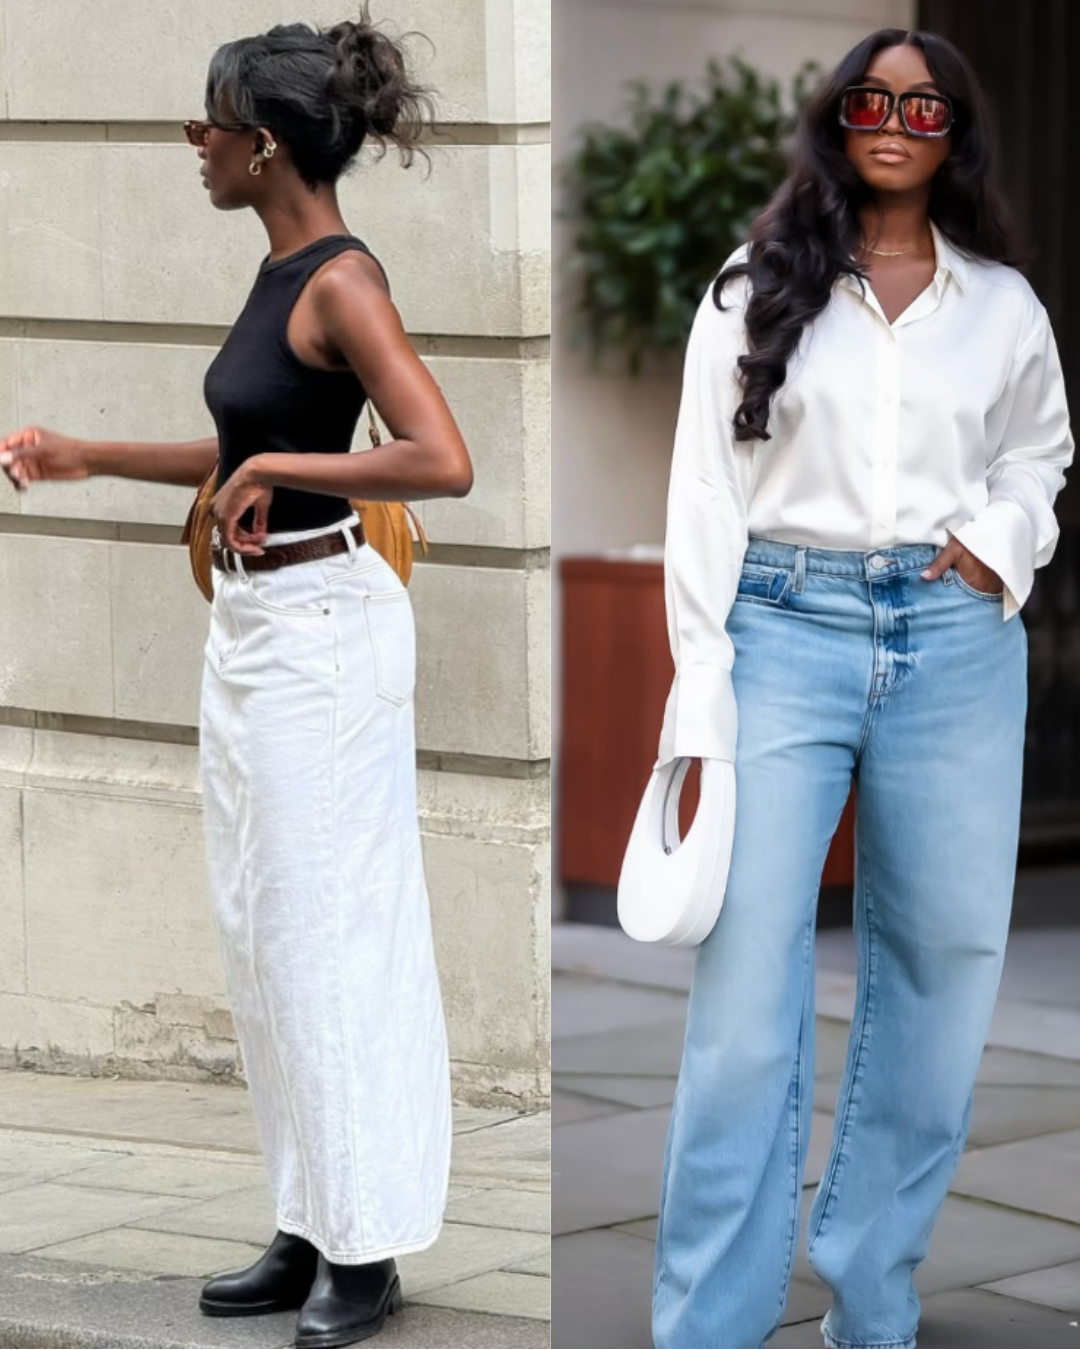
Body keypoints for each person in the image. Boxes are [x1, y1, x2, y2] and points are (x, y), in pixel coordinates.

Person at [0, 10, 473, 1348]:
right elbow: (254, 439)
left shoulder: (341, 280)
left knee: (327, 935)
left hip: (327, 627)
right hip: (260, 635)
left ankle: (366, 1248)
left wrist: (281, 473)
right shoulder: (279, 276)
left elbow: (442, 455)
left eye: (205, 124)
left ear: (262, 147)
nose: (190, 144)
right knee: (267, 933)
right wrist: (87, 453)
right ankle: (309, 1216)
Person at [650, 27, 1073, 1350]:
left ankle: (872, 1290)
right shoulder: (753, 287)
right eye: (871, 98)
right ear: (837, 118)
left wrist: (994, 548)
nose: (895, 119)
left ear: (955, 135)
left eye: (925, 105)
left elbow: (1038, 458)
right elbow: (701, 500)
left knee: (945, 969)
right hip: (782, 627)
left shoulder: (1001, 305)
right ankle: (711, 1320)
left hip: (952, 642)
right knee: (740, 998)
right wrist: (700, 687)